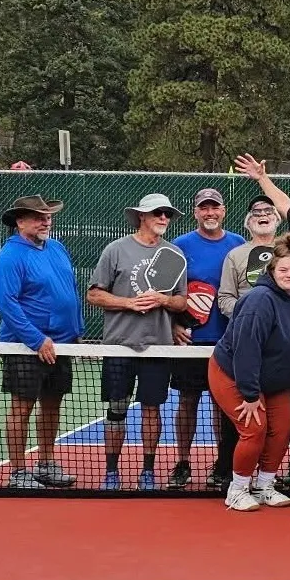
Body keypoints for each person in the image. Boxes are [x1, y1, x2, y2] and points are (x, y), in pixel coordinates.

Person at [86, 193, 189, 491]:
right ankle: (111, 472)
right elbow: (94, 294)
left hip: (158, 346)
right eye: (157, 213)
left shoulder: (174, 255)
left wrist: (163, 300)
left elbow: (182, 302)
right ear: (141, 216)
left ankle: (147, 471)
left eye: (167, 214)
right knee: (117, 409)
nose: (163, 218)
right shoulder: (116, 250)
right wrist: (129, 303)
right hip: (119, 345)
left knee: (151, 409)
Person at [208, 234, 290, 511]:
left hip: (273, 380)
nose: (289, 275)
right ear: (272, 271)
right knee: (254, 429)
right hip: (232, 373)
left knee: (284, 426)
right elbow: (246, 349)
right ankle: (237, 490)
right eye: (283, 269)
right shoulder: (259, 301)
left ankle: (264, 485)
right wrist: (251, 395)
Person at [0, 194, 83, 489]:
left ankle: (45, 464)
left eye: (48, 217)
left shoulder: (57, 248)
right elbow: (7, 304)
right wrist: (36, 340)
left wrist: (76, 330)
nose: (46, 222)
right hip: (24, 346)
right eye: (38, 217)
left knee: (52, 404)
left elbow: (69, 289)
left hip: (61, 344)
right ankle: (18, 473)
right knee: (22, 407)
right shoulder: (10, 256)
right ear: (20, 222)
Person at [167, 188, 246, 490]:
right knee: (187, 401)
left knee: (222, 405)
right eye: (204, 208)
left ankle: (221, 464)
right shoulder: (179, 246)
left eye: (215, 207)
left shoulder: (238, 244)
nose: (210, 213)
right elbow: (167, 291)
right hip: (191, 341)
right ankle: (183, 462)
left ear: (223, 211)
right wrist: (173, 324)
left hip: (227, 342)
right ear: (195, 212)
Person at [217, 193, 290, 488]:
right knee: (247, 424)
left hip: (280, 355)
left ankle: (267, 479)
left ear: (277, 218)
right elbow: (225, 297)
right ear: (247, 222)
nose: (263, 215)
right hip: (242, 349)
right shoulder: (235, 255)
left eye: (268, 210)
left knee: (283, 421)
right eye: (256, 212)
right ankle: (234, 479)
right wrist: (253, 315)